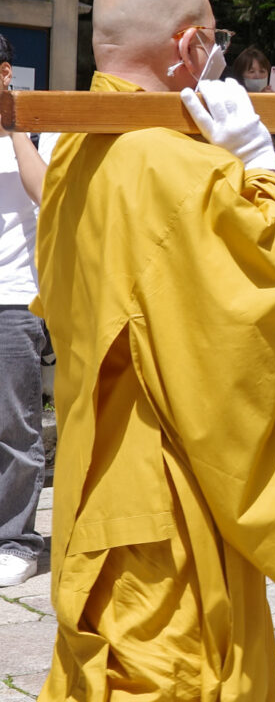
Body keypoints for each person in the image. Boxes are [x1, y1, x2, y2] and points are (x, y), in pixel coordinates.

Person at [33, 0, 275, 699]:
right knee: (173, 675)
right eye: (216, 41)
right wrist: (258, 165)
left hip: (98, 479)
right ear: (191, 47)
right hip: (160, 498)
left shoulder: (78, 144)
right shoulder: (171, 167)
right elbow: (268, 291)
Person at [0, 33, 50, 589]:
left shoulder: (40, 132)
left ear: (6, 72)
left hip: (13, 297)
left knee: (14, 427)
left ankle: (17, 539)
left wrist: (14, 130)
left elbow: (49, 194)